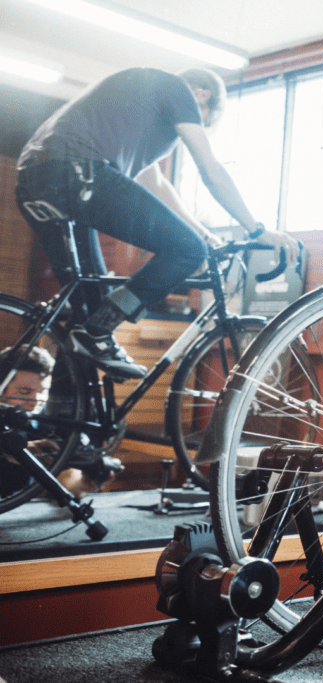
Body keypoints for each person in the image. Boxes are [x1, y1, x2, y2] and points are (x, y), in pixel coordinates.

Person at [15, 67, 299, 381]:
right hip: (79, 171)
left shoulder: (142, 102)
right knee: (186, 251)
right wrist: (256, 229)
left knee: (87, 321)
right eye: (200, 119)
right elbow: (210, 169)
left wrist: (205, 235)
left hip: (34, 184)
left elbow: (159, 186)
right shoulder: (177, 89)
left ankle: (69, 419)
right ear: (202, 97)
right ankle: (100, 328)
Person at [0, 346, 119, 499]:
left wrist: (85, 483)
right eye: (25, 392)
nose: (36, 401)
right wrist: (13, 451)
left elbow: (64, 479)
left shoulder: (46, 423)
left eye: (43, 391)